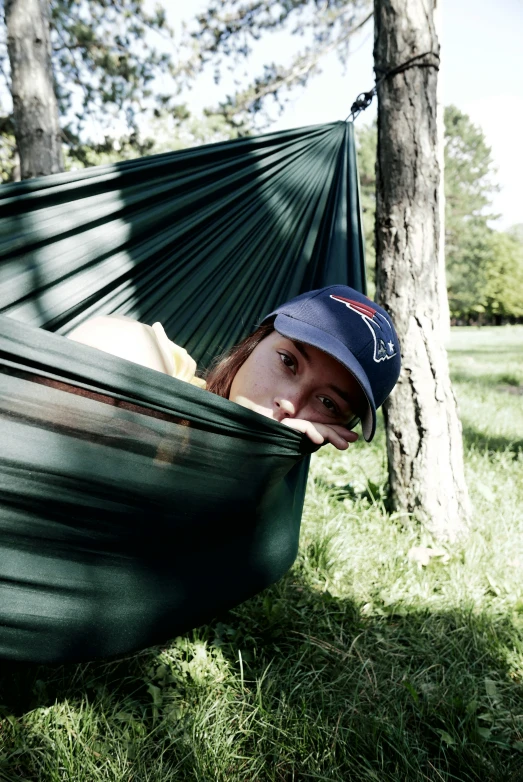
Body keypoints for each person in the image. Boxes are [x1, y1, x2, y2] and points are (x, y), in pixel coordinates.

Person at [67, 285, 401, 449]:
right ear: (255, 342)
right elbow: (104, 342)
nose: (290, 403)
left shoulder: (265, 509)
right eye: (288, 362)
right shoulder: (172, 377)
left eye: (327, 403)